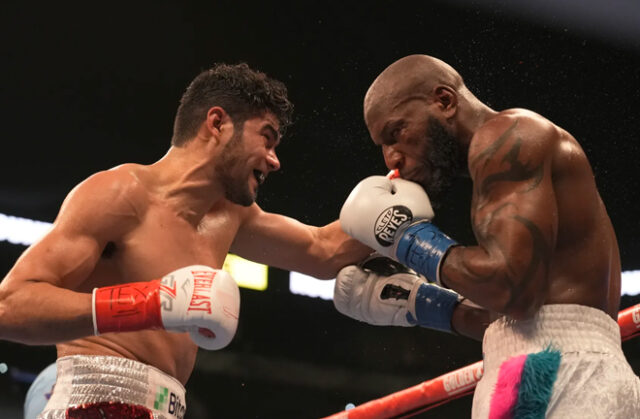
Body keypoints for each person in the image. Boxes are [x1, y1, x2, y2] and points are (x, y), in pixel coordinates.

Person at [0, 62, 380, 419]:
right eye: (267, 138)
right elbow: (10, 306)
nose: (274, 159)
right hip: (94, 401)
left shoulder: (231, 217)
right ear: (217, 123)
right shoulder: (120, 195)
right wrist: (150, 304)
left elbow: (324, 251)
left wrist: (408, 182)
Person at [337, 54, 640, 418]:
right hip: (566, 374)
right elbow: (534, 317)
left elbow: (512, 290)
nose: (391, 157)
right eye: (382, 145)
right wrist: (421, 302)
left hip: (552, 379)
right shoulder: (505, 161)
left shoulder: (510, 136)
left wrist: (408, 238)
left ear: (444, 101)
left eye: (396, 132)